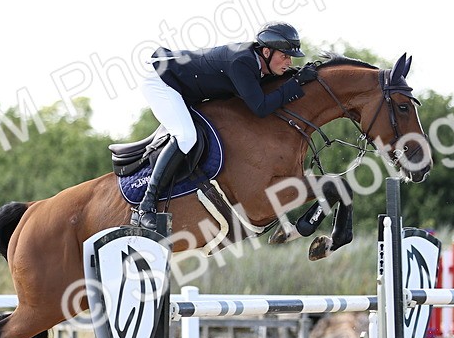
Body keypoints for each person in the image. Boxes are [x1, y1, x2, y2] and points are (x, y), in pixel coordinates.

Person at [136, 21, 319, 229]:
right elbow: (260, 107)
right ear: (266, 51)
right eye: (285, 56)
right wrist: (296, 84)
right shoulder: (242, 62)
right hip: (160, 80)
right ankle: (146, 205)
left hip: (181, 80)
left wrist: (297, 77)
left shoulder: (256, 61)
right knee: (186, 136)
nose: (289, 61)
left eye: (291, 57)